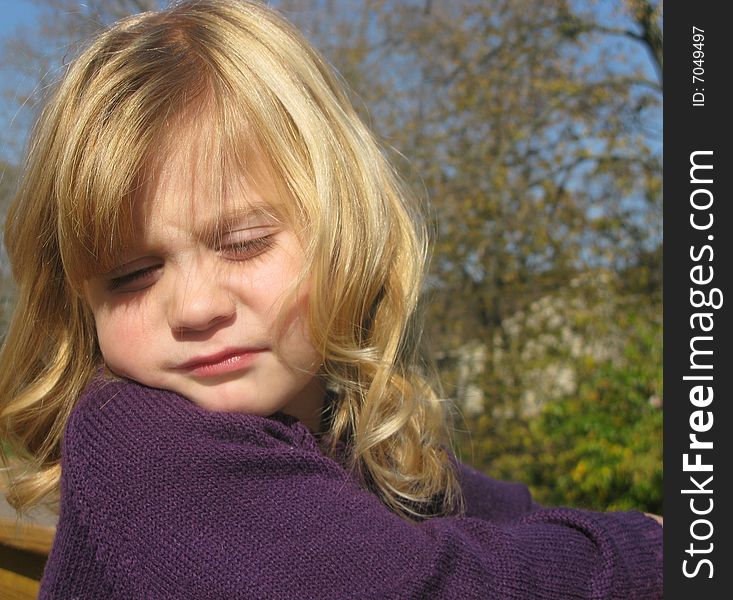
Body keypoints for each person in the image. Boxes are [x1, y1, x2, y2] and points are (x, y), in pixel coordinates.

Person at [0, 1, 662, 598]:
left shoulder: (350, 428)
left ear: (344, 231)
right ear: (78, 300)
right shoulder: (142, 443)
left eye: (244, 242)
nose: (196, 308)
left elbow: (509, 514)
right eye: (133, 275)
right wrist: (653, 553)